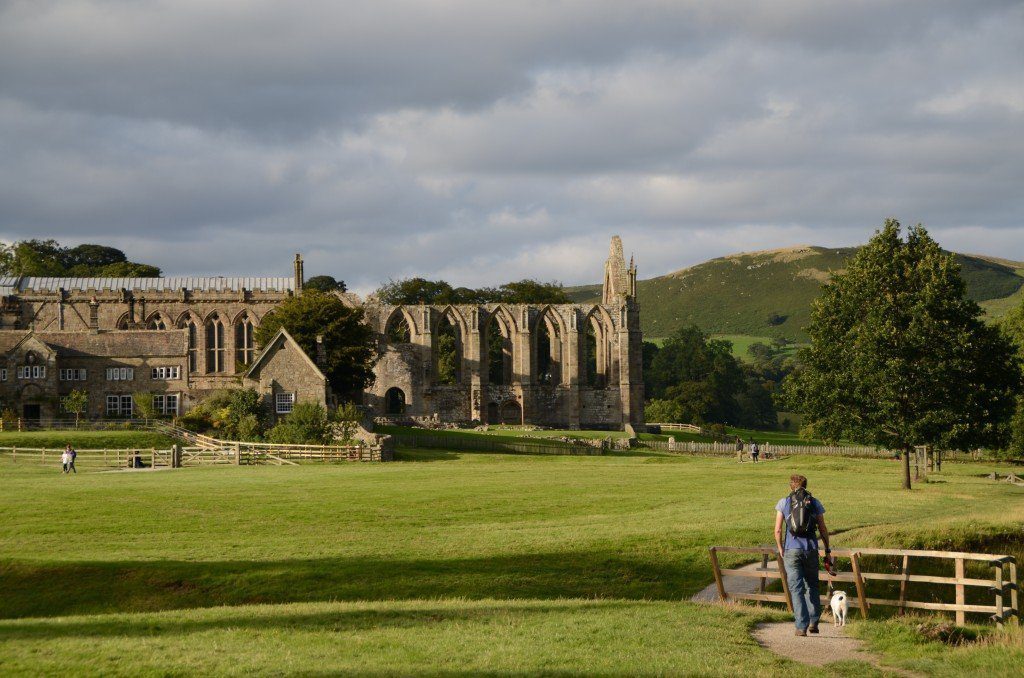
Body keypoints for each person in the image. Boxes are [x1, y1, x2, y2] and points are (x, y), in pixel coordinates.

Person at [774, 474, 831, 636]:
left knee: (796, 588)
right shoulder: (814, 502)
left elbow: (778, 530)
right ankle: (814, 622)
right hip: (811, 549)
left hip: (791, 550)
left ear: (791, 486)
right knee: (812, 585)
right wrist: (827, 550)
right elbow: (822, 528)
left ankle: (801, 626)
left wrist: (780, 548)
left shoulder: (784, 502)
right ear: (806, 485)